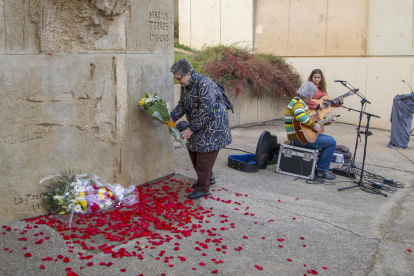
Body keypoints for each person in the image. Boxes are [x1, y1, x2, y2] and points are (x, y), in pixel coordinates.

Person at [169, 59, 232, 199]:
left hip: (213, 125)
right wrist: (172, 116)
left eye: (179, 79)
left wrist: (191, 128)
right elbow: (183, 104)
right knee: (192, 149)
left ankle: (203, 188)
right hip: (199, 124)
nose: (179, 82)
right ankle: (208, 177)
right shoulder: (187, 84)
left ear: (188, 74)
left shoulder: (205, 84)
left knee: (204, 155)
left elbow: (206, 109)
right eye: (177, 80)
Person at [285, 81, 337, 180]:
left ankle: (321, 167)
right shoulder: (297, 102)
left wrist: (329, 121)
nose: (313, 96)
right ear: (308, 94)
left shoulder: (301, 103)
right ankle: (322, 170)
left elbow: (313, 122)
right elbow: (300, 116)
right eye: (312, 94)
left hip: (301, 137)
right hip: (298, 139)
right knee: (331, 142)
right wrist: (313, 125)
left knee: (328, 140)